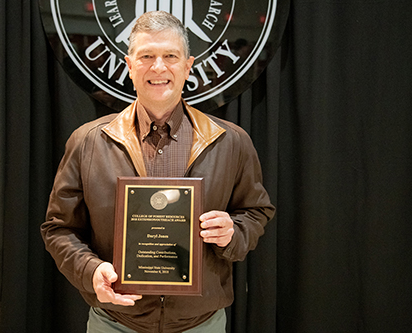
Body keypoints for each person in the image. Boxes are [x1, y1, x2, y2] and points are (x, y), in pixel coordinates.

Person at [41, 11, 275, 333]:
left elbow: (256, 211)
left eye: (170, 56)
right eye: (147, 56)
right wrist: (89, 270)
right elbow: (58, 228)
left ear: (188, 65)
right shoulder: (88, 142)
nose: (159, 67)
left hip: (201, 325)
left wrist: (233, 232)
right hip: (114, 322)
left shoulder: (231, 141)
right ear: (129, 65)